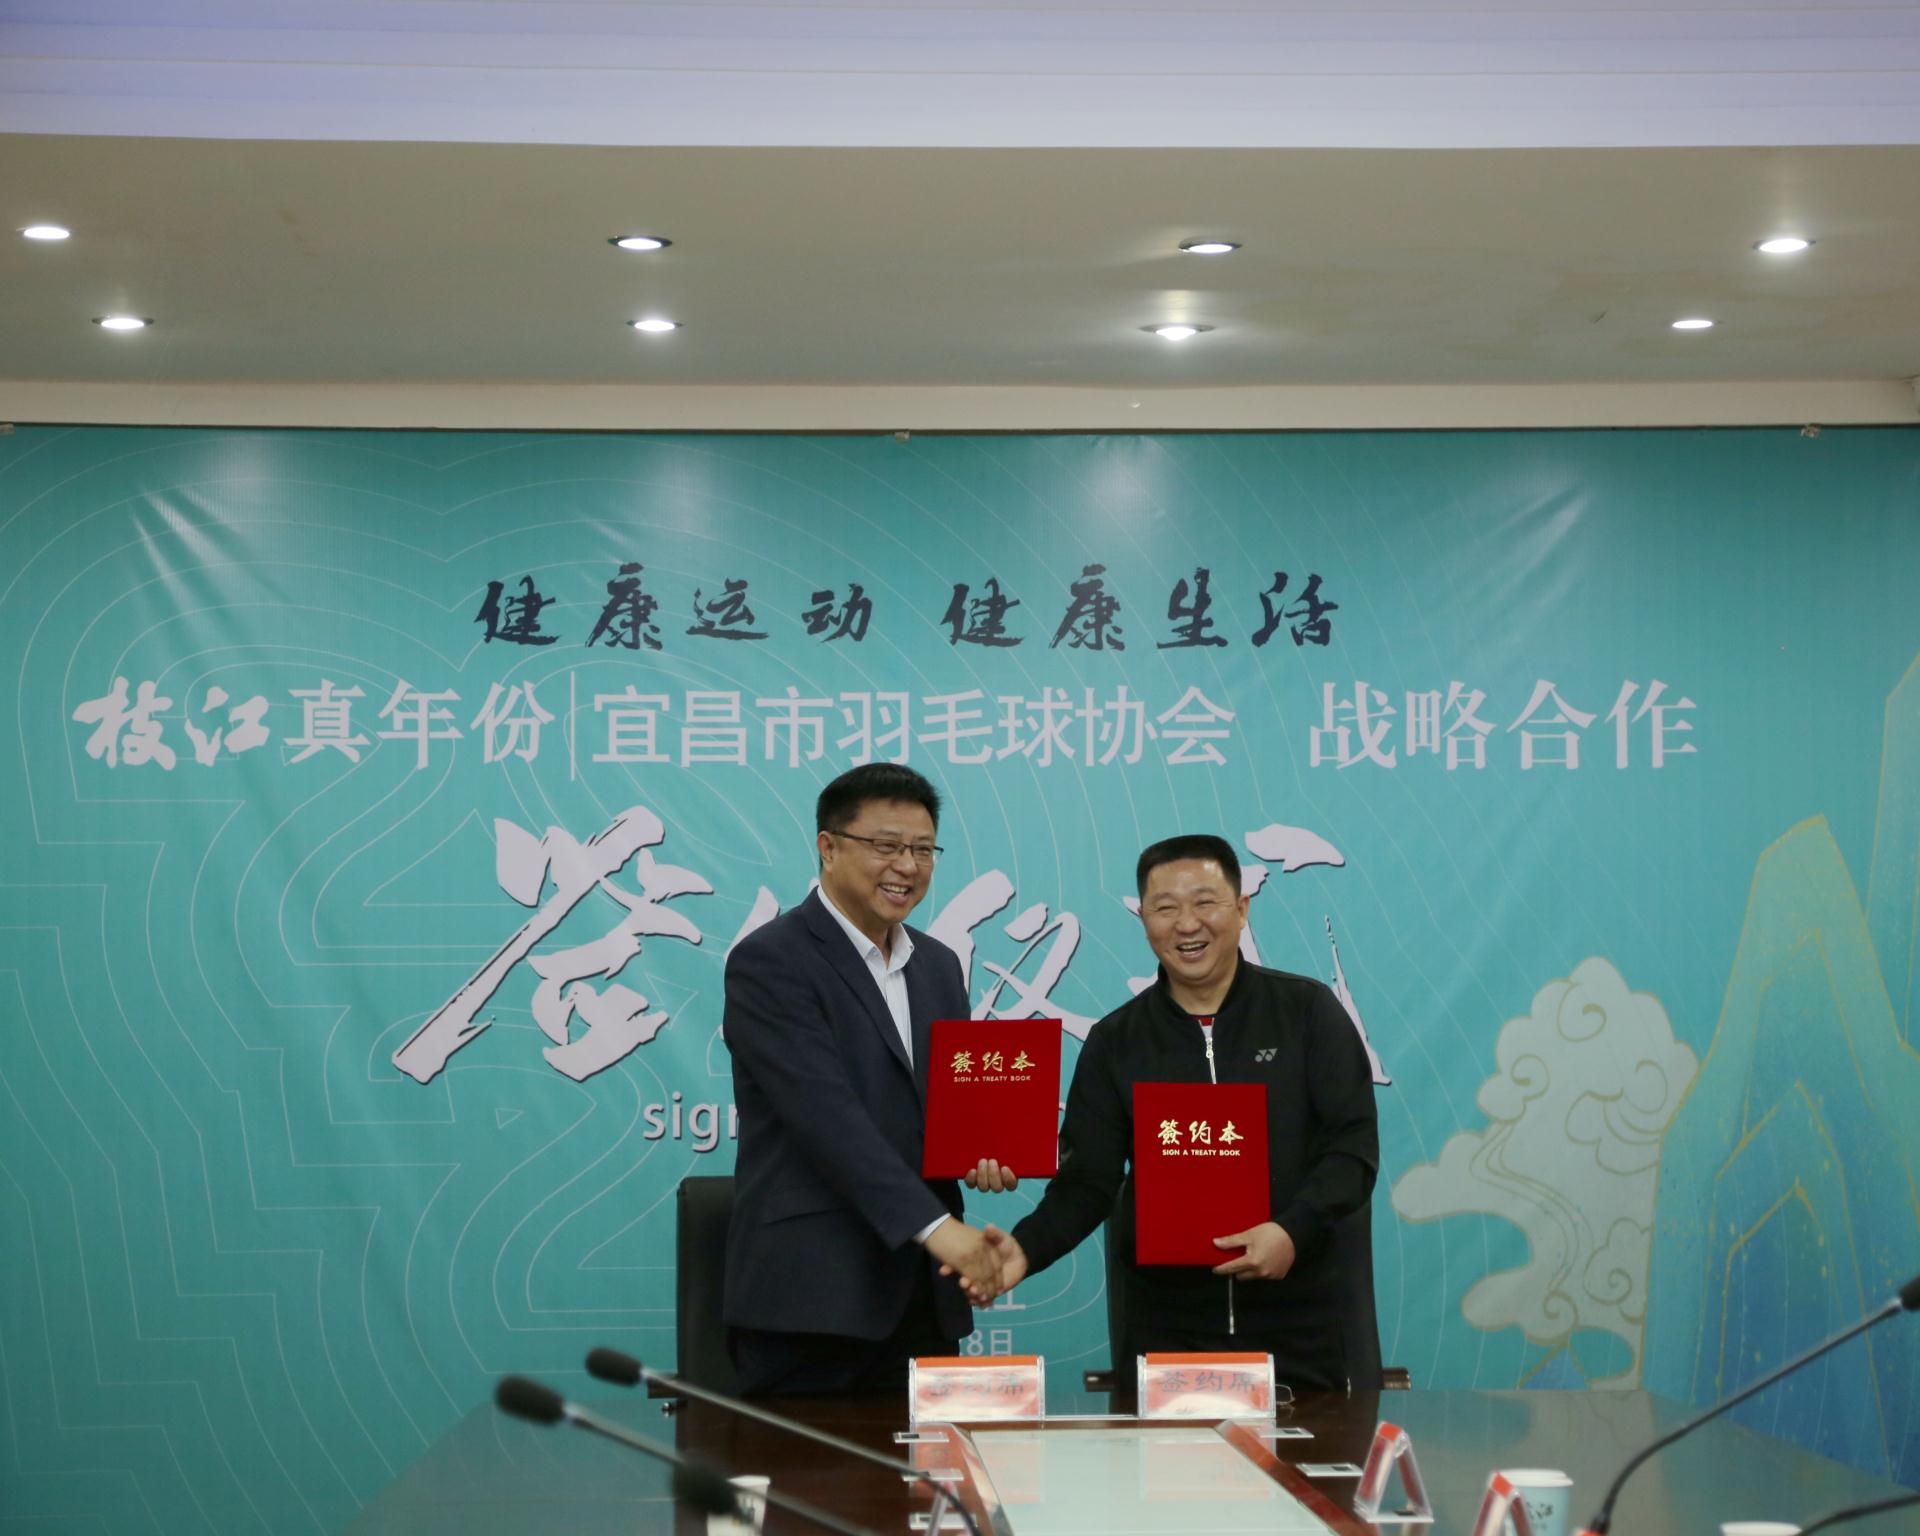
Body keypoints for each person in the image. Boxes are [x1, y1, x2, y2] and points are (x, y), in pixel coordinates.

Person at [979, 833, 1380, 1391]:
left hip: (1300, 1324)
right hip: (1167, 1333)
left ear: (1241, 909)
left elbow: (1352, 1150)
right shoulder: (1117, 1041)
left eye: (1205, 902)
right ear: (1143, 919)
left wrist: (1293, 1230)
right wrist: (1024, 1250)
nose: (1187, 925)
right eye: (1165, 908)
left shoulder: (1307, 1013)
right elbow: (1088, 1182)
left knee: (1311, 1451)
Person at [722, 763, 1015, 1395]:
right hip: (813, 1303)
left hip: (925, 1298)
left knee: (935, 1463)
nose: (906, 866)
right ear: (828, 848)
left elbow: (942, 1108)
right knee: (809, 1465)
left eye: (923, 850)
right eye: (886, 845)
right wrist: (941, 1231)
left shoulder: (938, 966)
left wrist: (981, 1148)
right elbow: (827, 1120)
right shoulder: (771, 960)